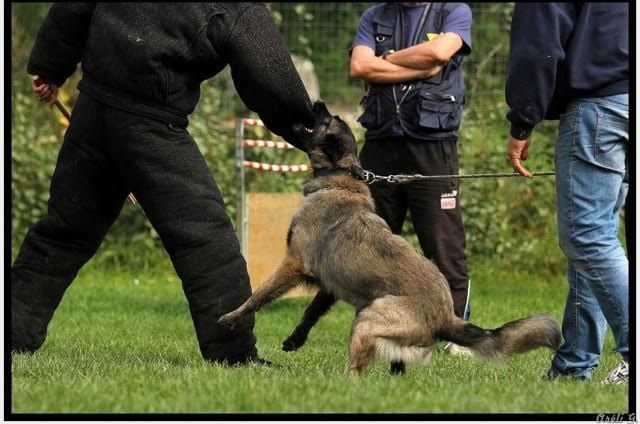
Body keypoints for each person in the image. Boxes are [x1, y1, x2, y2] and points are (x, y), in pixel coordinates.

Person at [12, 3, 321, 366]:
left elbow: (74, 8)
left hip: (93, 113)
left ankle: (12, 333)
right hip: (151, 124)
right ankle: (233, 354)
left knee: (63, 232)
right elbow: (269, 74)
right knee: (207, 240)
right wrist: (310, 131)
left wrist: (50, 67)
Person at [505, 3, 629, 383]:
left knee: (587, 237)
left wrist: (523, 121)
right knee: (596, 241)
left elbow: (537, 45)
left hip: (602, 106)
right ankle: (574, 365)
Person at [349, 2, 473, 355]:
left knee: (442, 242)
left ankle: (457, 331)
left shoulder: (455, 11)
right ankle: (377, 325)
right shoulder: (374, 15)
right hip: (380, 145)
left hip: (433, 146)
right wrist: (420, 69)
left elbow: (439, 52)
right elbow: (360, 65)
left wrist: (385, 61)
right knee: (373, 244)